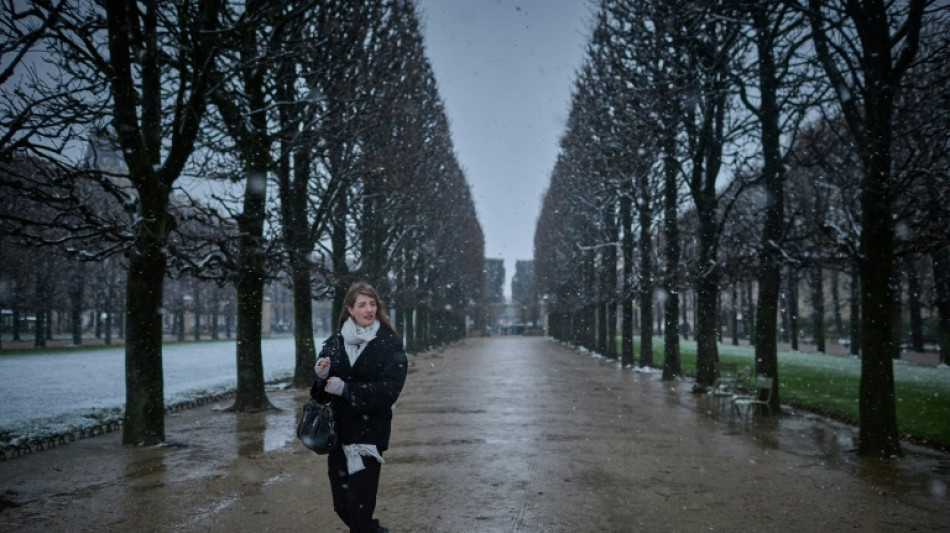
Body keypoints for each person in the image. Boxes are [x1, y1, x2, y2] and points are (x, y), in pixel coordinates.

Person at [312, 281, 408, 533]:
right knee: (342, 506)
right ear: (349, 309)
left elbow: (389, 391)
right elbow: (319, 395)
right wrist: (320, 377)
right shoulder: (333, 343)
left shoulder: (389, 344)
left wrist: (347, 390)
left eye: (372, 304)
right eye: (362, 305)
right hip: (339, 435)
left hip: (369, 434)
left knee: (359, 506)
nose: (369, 310)